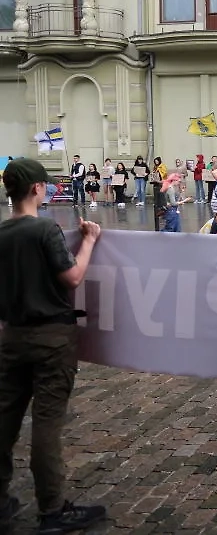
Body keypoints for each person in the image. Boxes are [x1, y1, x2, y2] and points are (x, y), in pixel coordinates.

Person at [0, 159, 107, 533]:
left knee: (4, 419)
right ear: (37, 189)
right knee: (47, 424)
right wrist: (90, 240)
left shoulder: (2, 233)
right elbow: (72, 276)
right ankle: (52, 509)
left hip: (11, 336)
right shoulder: (44, 229)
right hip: (51, 339)